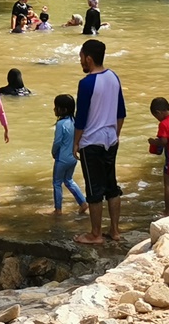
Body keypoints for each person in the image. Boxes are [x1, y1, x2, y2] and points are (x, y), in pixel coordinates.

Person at [73, 39, 126, 244]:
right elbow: (121, 112)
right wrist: (116, 134)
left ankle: (95, 234)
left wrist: (75, 143)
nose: (81, 62)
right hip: (111, 139)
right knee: (111, 186)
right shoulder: (114, 77)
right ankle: (115, 230)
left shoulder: (86, 83)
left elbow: (81, 117)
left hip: (91, 142)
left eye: (81, 58)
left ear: (89, 58)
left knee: (94, 189)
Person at [51, 94, 88, 215]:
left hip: (62, 159)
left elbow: (57, 142)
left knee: (57, 182)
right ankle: (83, 203)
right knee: (68, 180)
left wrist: (53, 152)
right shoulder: (75, 122)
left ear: (64, 110)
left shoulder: (61, 124)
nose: (54, 109)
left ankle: (58, 209)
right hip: (73, 158)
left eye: (56, 107)